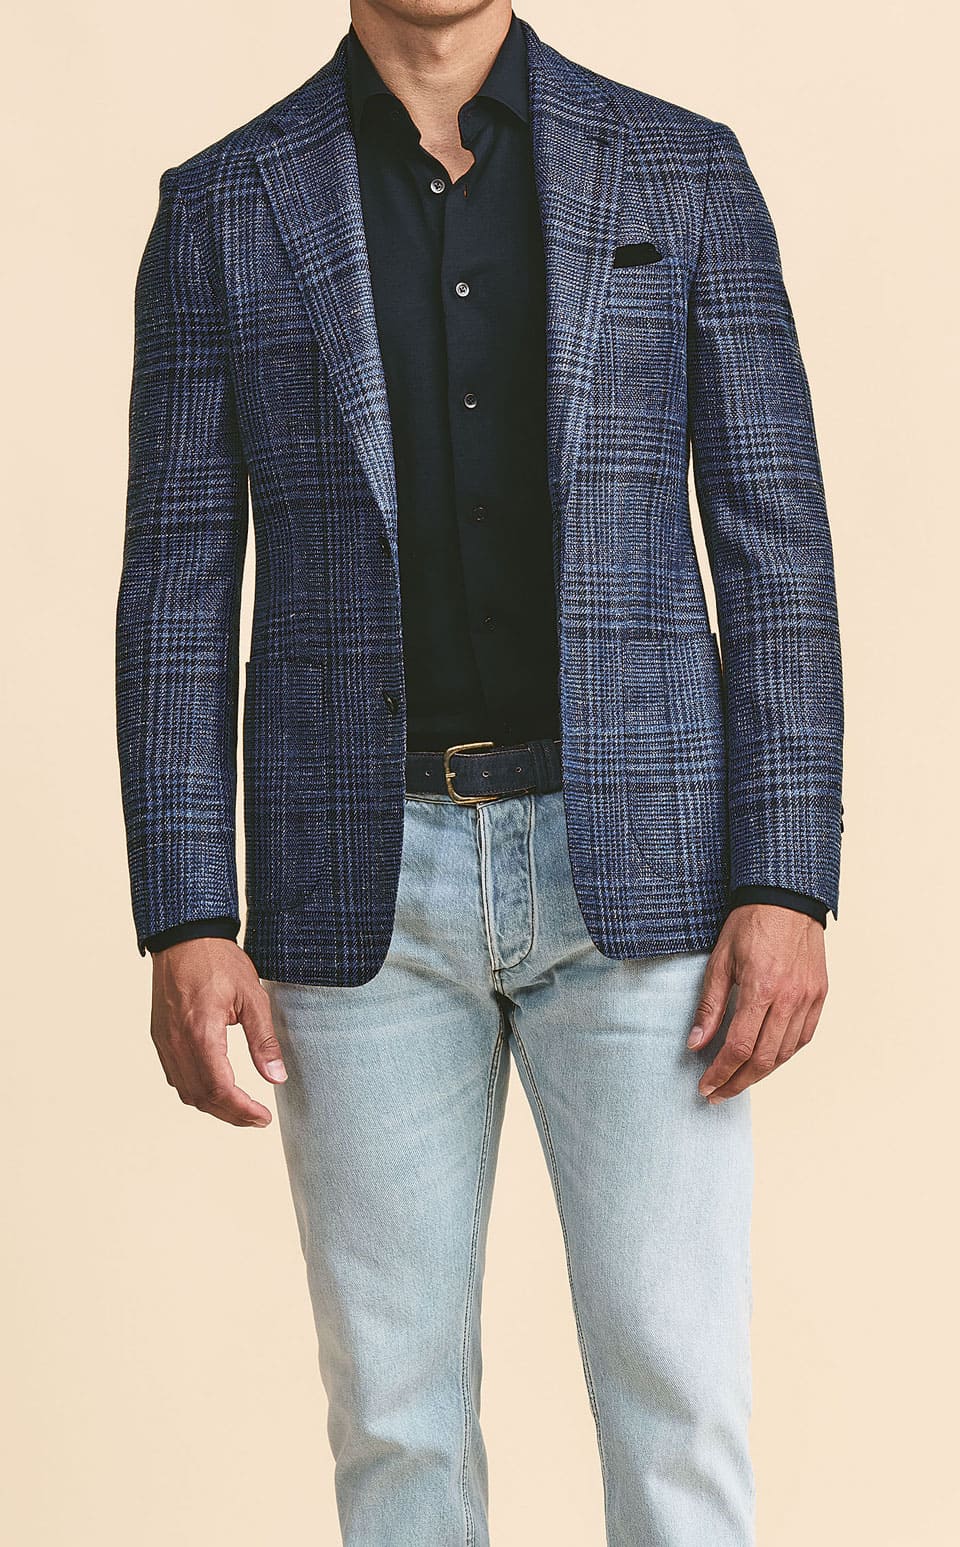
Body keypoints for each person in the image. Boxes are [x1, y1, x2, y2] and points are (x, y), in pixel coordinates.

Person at [116, 4, 843, 1542]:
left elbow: (775, 546)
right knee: (397, 1424)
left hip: (643, 877)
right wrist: (185, 915)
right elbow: (177, 584)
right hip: (355, 890)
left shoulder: (681, 172)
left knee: (678, 1404)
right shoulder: (222, 209)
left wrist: (785, 878)